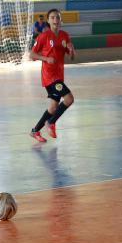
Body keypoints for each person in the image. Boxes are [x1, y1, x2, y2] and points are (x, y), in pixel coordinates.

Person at [28, 9, 76, 143]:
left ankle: (35, 131)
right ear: (48, 21)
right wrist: (46, 58)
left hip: (59, 76)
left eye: (58, 18)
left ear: (61, 20)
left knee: (53, 108)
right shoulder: (44, 36)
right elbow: (31, 55)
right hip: (49, 77)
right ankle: (51, 122)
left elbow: (71, 57)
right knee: (69, 99)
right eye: (53, 18)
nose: (56, 20)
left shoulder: (64, 36)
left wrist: (72, 50)